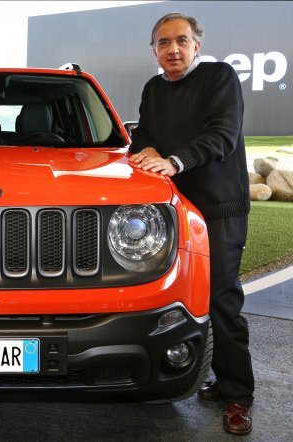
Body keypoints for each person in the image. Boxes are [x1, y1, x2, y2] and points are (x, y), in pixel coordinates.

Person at [128, 12, 254, 435]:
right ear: (154, 50)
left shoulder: (220, 77)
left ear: (197, 45)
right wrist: (144, 152)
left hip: (218, 209)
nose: (173, 49)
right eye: (164, 43)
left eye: (181, 40)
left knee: (219, 299)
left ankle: (238, 395)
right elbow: (143, 132)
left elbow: (223, 134)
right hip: (174, 210)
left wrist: (173, 161)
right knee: (180, 300)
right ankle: (214, 377)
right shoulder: (153, 88)